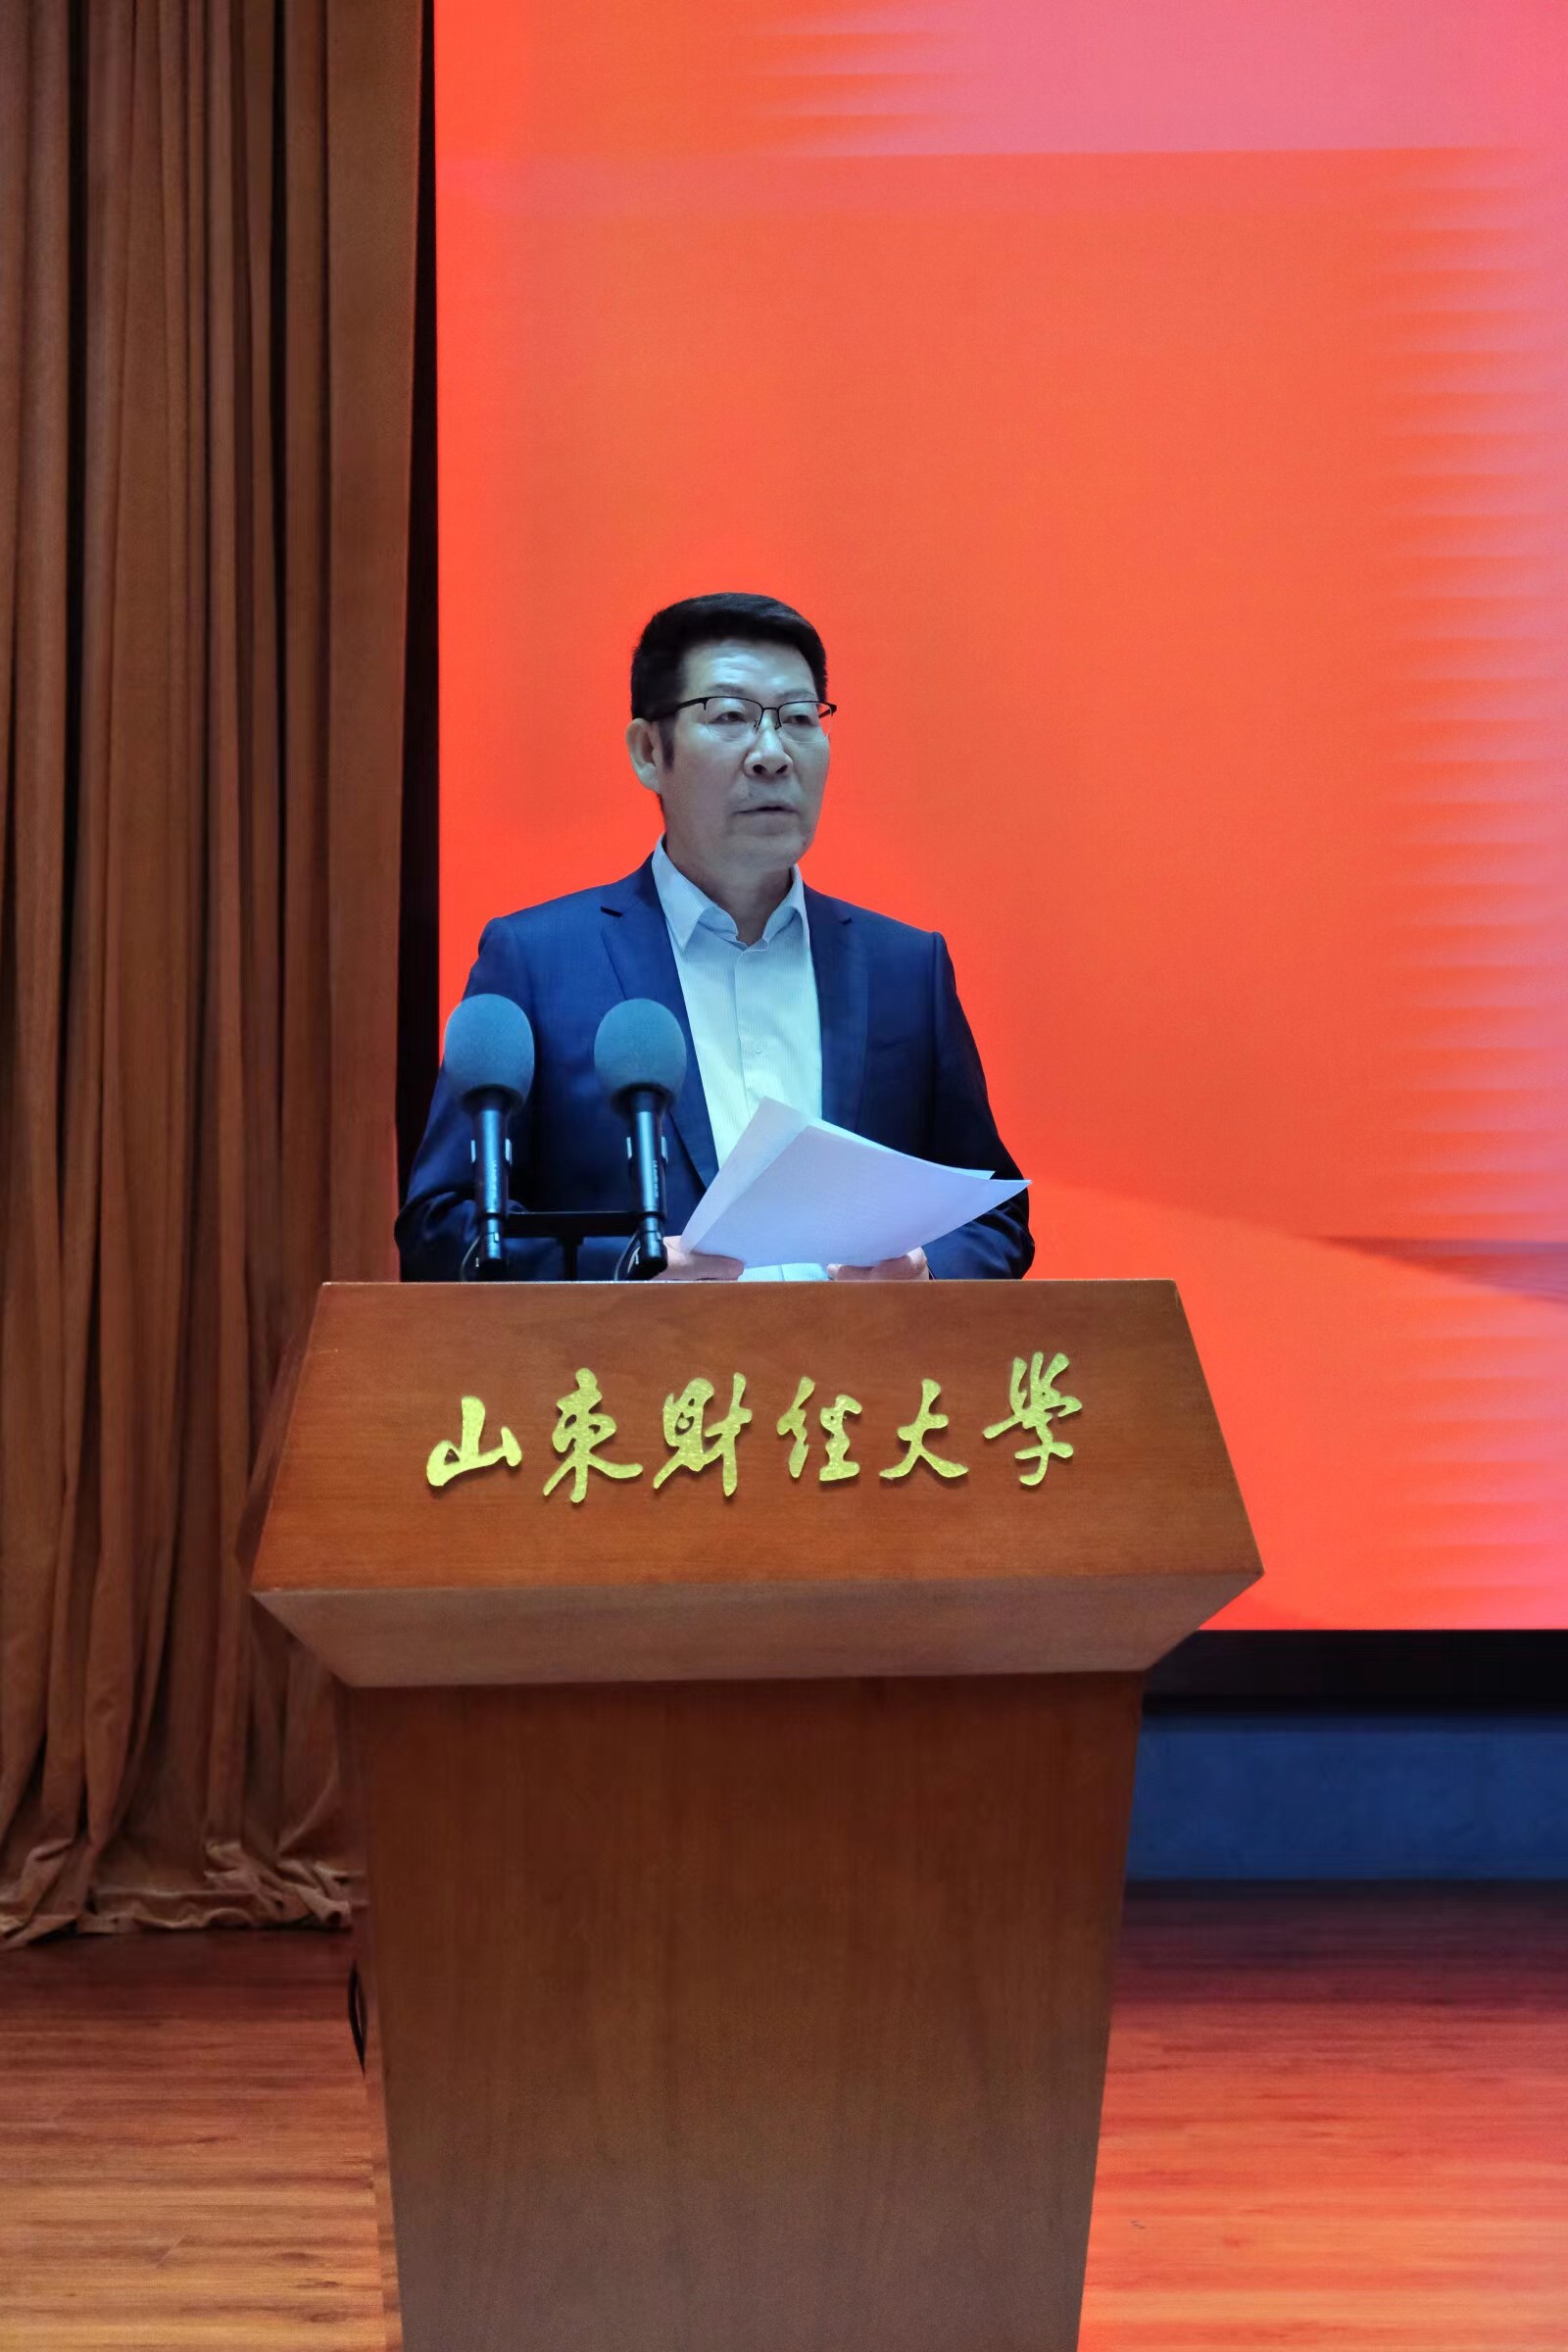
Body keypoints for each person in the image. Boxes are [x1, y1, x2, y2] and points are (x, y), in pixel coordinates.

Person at [397, 592, 1032, 1283]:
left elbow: (995, 1216)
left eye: (798, 719)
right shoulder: (537, 963)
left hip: (860, 1357)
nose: (772, 755)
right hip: (638, 1356)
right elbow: (442, 1227)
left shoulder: (904, 968)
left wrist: (924, 1268)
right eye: (729, 717)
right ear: (649, 751)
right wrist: (632, 1271)